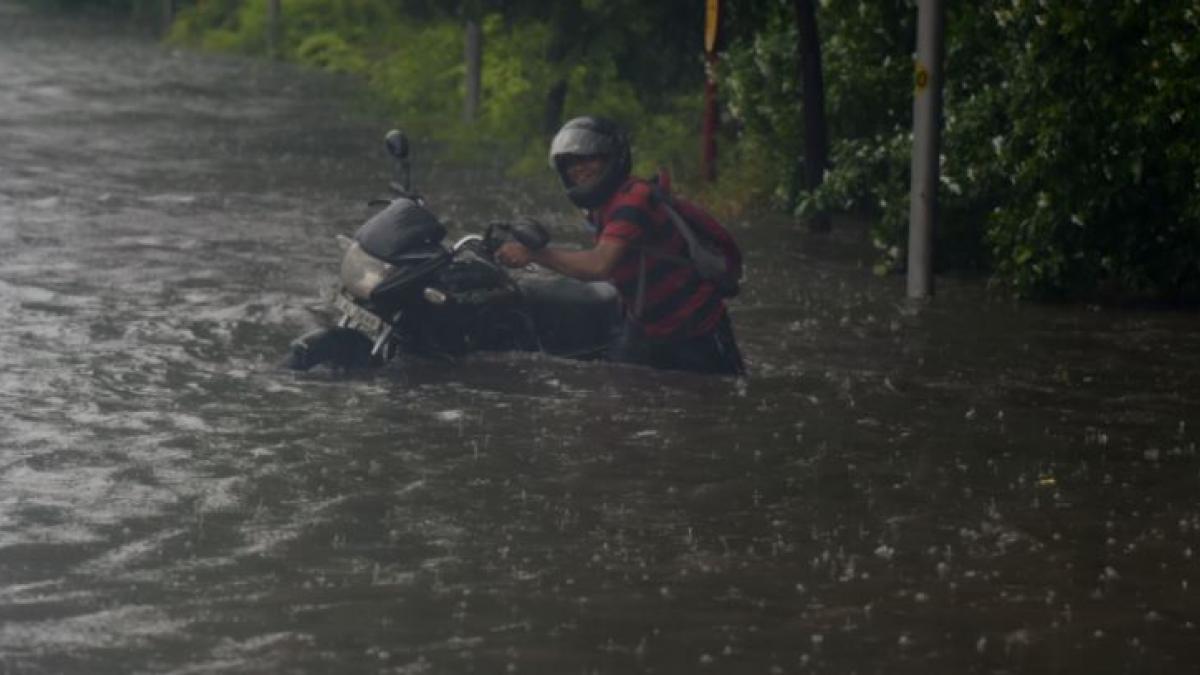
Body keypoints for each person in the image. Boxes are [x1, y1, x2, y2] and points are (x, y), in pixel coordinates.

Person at [496, 116, 745, 376]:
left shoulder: (633, 199)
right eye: (570, 163)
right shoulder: (602, 206)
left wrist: (536, 254)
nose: (578, 169)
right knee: (616, 399)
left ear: (611, 159)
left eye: (589, 158)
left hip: (695, 328)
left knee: (713, 402)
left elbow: (600, 265)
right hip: (644, 325)